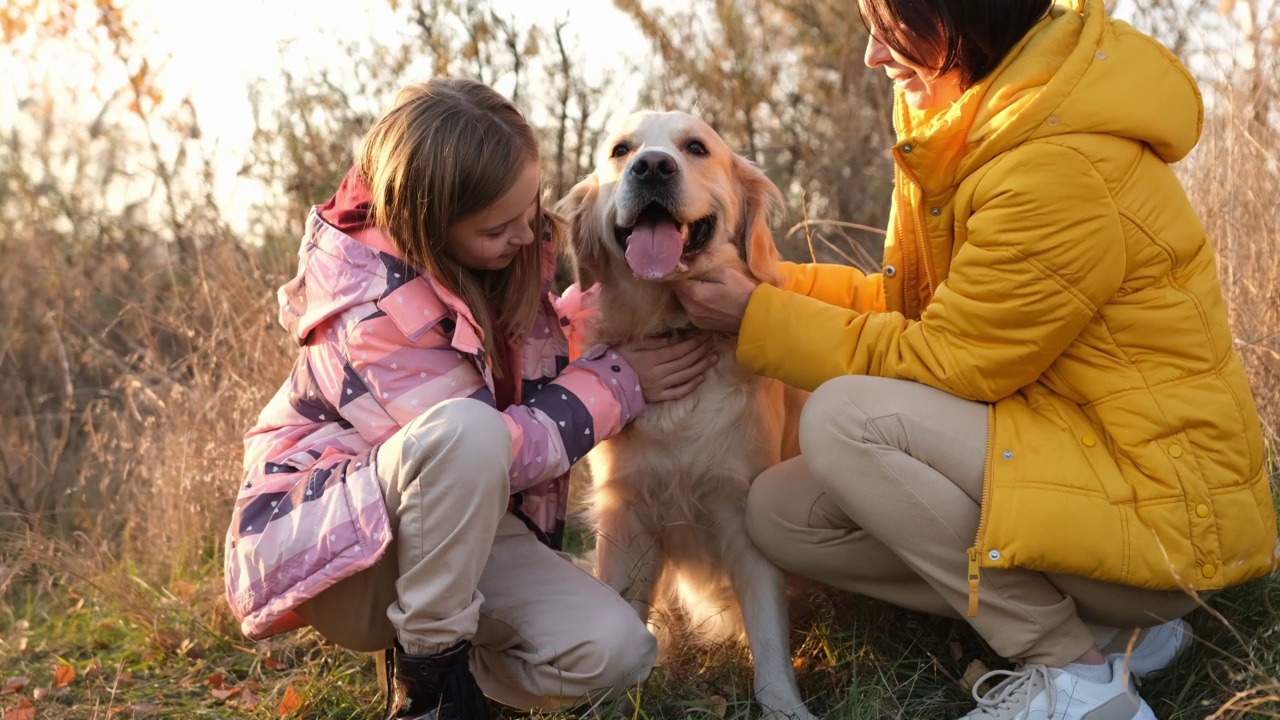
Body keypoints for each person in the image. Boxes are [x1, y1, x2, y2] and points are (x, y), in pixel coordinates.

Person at [672, 0, 1276, 717]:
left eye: (889, 29)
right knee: (780, 512)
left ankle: (1075, 675)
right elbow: (917, 313)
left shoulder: (1058, 163)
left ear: (961, 21)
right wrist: (773, 286)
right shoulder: (972, 130)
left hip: (1163, 521)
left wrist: (756, 316)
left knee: (842, 420)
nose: (871, 55)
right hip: (1078, 465)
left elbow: (951, 361)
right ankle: (1120, 634)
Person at [223, 77, 717, 720]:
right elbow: (490, 446)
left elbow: (494, 374)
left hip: (462, 533)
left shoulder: (500, 256)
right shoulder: (367, 310)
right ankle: (432, 684)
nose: (528, 234)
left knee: (620, 652)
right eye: (498, 227)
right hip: (352, 553)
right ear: (429, 227)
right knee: (468, 432)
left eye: (530, 208)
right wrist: (617, 379)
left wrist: (578, 330)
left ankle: (473, 670)